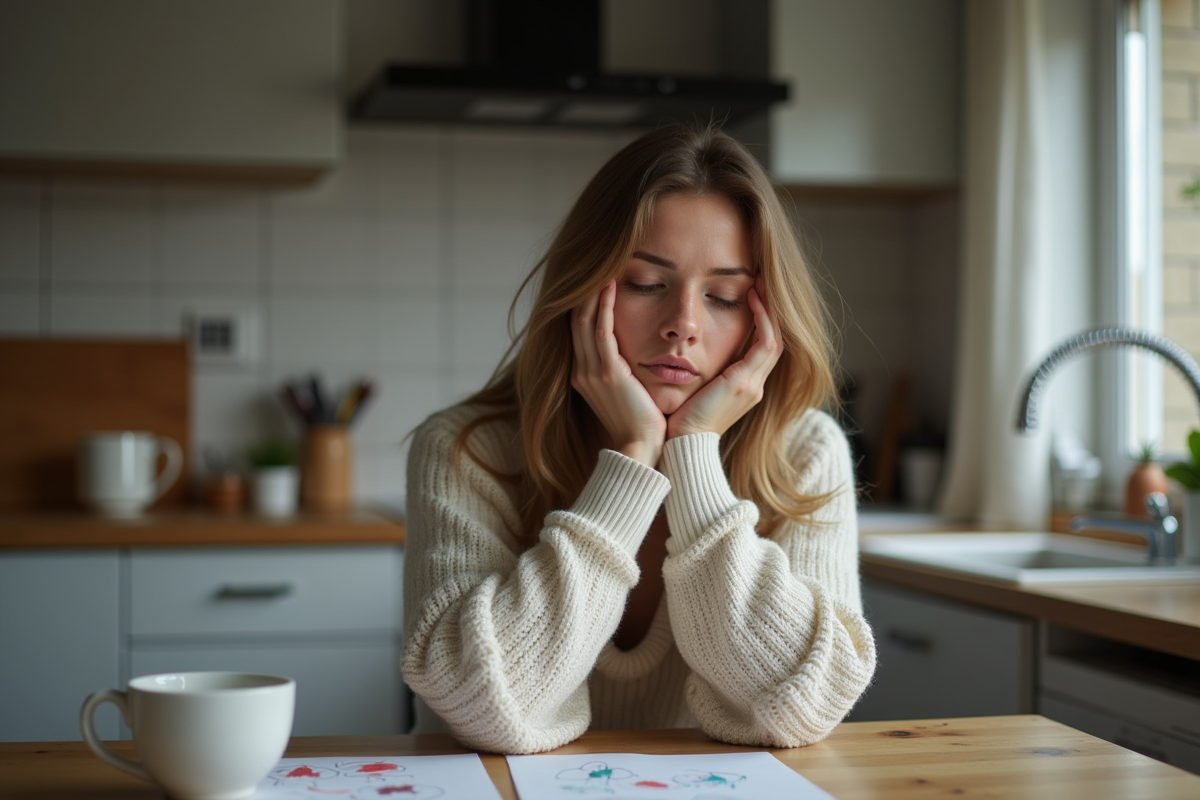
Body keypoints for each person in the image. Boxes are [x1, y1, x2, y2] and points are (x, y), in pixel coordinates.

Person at [401, 123, 876, 755]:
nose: (683, 324)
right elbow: (484, 706)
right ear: (582, 289)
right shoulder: (465, 450)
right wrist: (630, 459)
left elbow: (804, 708)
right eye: (645, 284)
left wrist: (695, 448)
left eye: (725, 296)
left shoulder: (805, 453)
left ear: (764, 322)